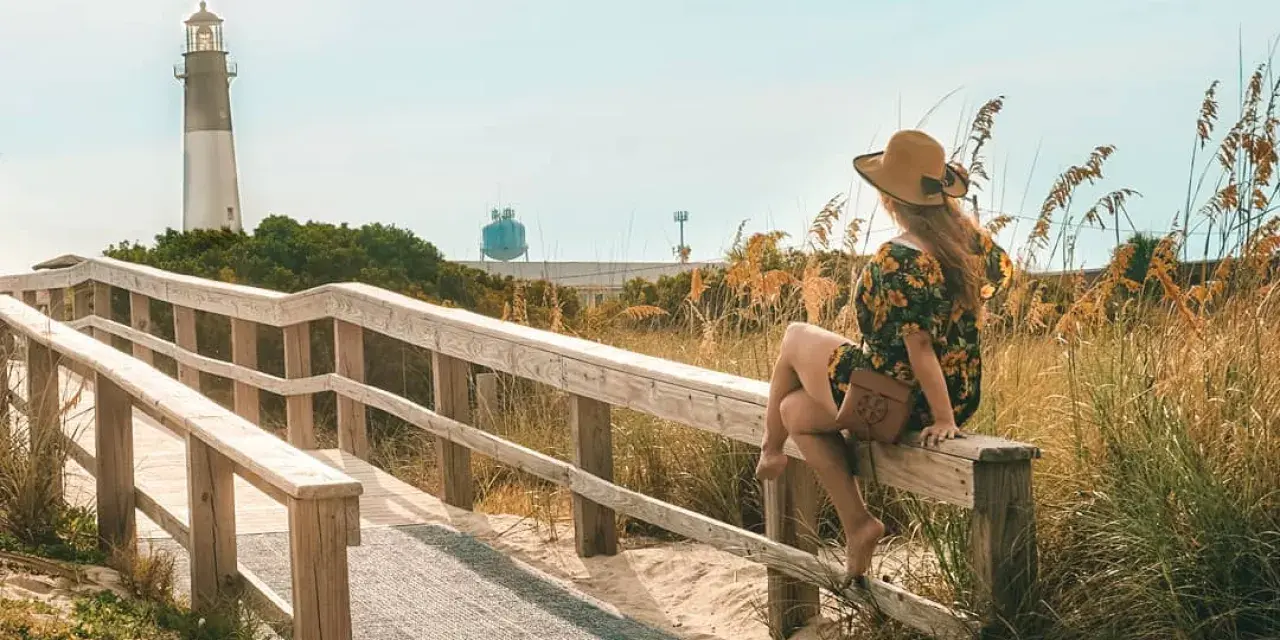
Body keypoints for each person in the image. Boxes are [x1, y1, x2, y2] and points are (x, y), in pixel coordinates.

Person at [754, 129, 1013, 580]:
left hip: (893, 402)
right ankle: (859, 525)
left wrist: (942, 419)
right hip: (956, 395)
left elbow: (919, 346)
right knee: (794, 410)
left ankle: (769, 450)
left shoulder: (898, 259)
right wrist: (950, 410)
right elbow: (991, 287)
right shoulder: (974, 246)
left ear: (890, 198)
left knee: (795, 335)